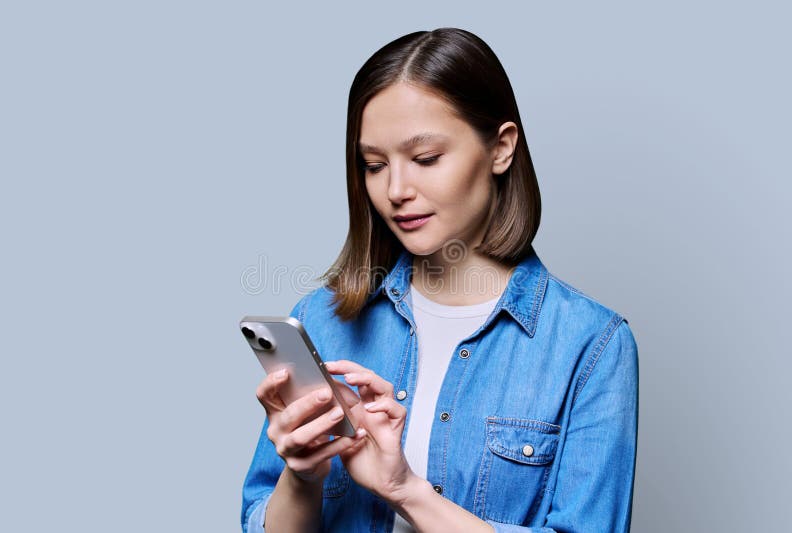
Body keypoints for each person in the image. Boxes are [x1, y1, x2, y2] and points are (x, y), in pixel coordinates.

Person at [241, 27, 638, 533]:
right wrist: (302, 476)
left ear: (501, 148)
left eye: (426, 159)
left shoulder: (591, 345)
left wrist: (405, 490)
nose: (396, 190)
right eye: (373, 165)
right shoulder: (322, 318)